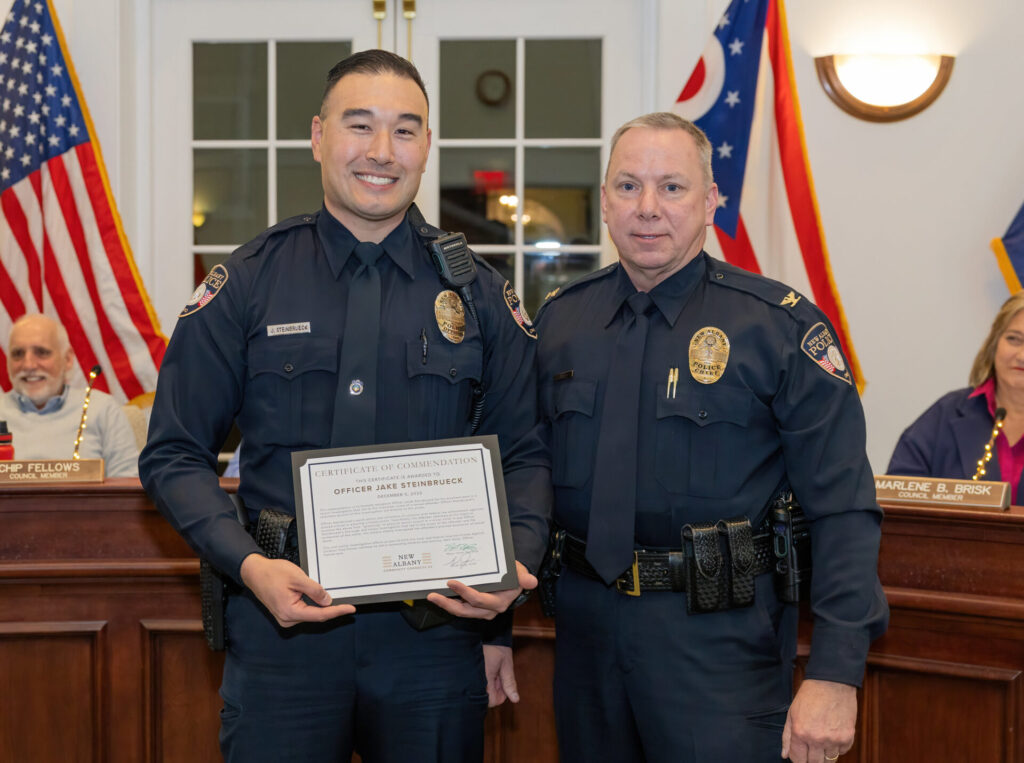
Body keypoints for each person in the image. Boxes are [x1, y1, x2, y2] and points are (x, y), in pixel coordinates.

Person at [138, 50, 548, 762]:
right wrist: (248, 564)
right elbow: (173, 452)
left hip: (433, 637)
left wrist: (512, 571)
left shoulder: (481, 294)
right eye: (360, 126)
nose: (382, 153)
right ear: (318, 135)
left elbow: (526, 453)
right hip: (283, 627)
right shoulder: (248, 283)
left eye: (406, 131)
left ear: (427, 147)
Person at [533, 112, 888, 763]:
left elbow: (844, 510)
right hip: (585, 641)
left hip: (719, 647)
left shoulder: (776, 329)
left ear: (711, 202)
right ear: (605, 202)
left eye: (672, 187)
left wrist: (836, 671)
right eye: (627, 186)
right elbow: (523, 476)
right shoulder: (560, 323)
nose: (647, 208)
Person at [888, 291, 1024, 499]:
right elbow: (898, 500)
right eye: (1014, 339)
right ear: (994, 344)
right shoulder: (946, 414)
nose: (1021, 356)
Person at [0, 313, 139, 477]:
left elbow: (127, 489)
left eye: (42, 352)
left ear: (68, 359)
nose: (29, 364)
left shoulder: (102, 409)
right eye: (18, 354)